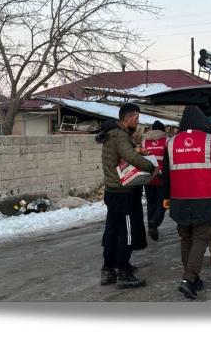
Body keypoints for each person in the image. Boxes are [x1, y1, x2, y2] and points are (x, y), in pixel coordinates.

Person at [161, 105, 211, 299]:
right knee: (201, 237)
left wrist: (166, 197)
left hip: (179, 199)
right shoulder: (209, 141)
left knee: (186, 238)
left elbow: (166, 175)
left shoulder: (171, 143)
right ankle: (189, 280)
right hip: (206, 198)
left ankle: (192, 276)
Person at [95, 103, 157, 289]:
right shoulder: (119, 135)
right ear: (129, 118)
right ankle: (123, 271)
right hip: (122, 193)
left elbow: (123, 155)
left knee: (113, 230)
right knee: (126, 232)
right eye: (137, 118)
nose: (138, 122)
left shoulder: (112, 133)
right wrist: (151, 166)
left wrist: (136, 151)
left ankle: (108, 269)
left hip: (112, 190)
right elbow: (130, 157)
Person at [141, 120, 169, 241]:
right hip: (162, 178)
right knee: (163, 203)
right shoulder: (166, 141)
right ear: (163, 130)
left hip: (148, 177)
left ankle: (151, 226)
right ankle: (154, 222)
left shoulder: (144, 141)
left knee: (151, 203)